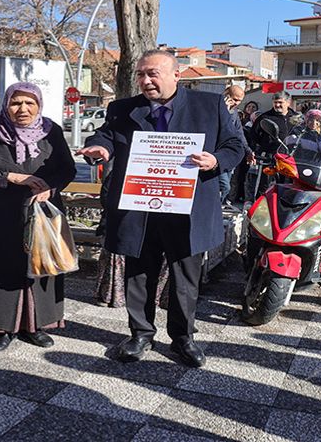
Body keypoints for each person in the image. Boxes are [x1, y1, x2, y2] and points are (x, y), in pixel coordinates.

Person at [76, 50, 243, 368]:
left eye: (152, 73)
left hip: (187, 208)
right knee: (138, 275)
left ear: (176, 75)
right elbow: (107, 135)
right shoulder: (123, 108)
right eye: (141, 74)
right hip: (140, 207)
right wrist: (100, 147)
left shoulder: (208, 105)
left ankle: (182, 338)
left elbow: (234, 145)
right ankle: (140, 333)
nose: (145, 80)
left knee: (185, 278)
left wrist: (216, 160)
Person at [0, 82, 76, 353]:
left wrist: (50, 187)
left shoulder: (51, 131)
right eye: (16, 103)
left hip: (41, 216)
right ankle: (0, 329)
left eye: (29, 103)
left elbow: (66, 169)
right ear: (6, 104)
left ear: (39, 105)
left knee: (40, 268)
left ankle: (35, 326)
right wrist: (6, 177)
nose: (22, 109)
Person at [246, 92, 303, 200]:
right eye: (275, 102)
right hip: (270, 158)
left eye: (280, 102)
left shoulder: (297, 118)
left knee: (290, 187)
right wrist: (261, 147)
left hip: (290, 158)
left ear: (288, 102)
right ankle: (261, 209)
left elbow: (303, 135)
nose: (277, 105)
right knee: (265, 186)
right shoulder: (265, 117)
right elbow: (253, 136)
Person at [219, 85, 251, 204]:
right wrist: (224, 110)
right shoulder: (216, 107)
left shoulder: (234, 112)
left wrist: (247, 150)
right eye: (234, 99)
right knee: (224, 186)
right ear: (226, 94)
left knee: (226, 186)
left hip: (228, 154)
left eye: (239, 101)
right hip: (215, 153)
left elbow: (239, 133)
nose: (236, 103)